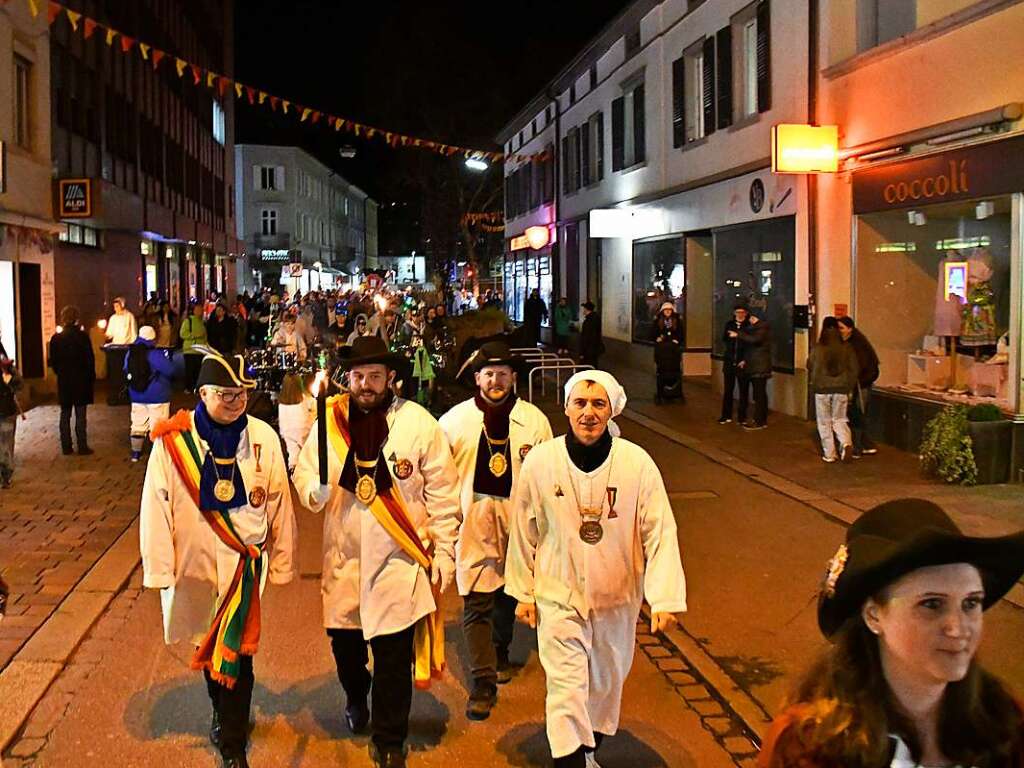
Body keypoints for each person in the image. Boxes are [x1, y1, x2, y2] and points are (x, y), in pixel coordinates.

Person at [293, 335, 461, 768]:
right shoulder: (328, 422)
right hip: (344, 558)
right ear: (347, 378)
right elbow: (304, 472)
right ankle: (355, 695)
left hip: (399, 560)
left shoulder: (419, 424)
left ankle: (390, 740)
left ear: (391, 378)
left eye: (374, 376)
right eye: (358, 376)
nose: (365, 384)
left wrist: (444, 551)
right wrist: (315, 489)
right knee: (347, 650)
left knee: (393, 657)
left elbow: (443, 492)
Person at [506, 370, 687, 768]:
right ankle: (571, 760)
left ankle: (589, 750)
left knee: (605, 686)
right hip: (558, 595)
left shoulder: (636, 464)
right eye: (581, 404)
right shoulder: (541, 462)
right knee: (566, 689)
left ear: (612, 410)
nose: (589, 413)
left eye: (598, 404)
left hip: (616, 598)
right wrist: (522, 591)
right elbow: (523, 528)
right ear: (567, 408)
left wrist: (664, 597)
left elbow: (659, 529)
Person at [760, 498, 1024, 768]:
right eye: (931, 604)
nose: (957, 628)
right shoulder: (809, 747)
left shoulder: (1005, 723)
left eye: (971, 603)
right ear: (874, 615)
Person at [140, 352, 297, 768]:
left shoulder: (262, 436)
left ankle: (232, 743)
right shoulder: (172, 443)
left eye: (242, 393)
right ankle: (221, 709)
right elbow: (155, 507)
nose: (236, 401)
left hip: (243, 572)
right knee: (208, 651)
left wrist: (281, 561)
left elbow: (279, 502)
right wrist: (159, 569)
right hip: (192, 569)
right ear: (203, 393)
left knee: (239, 658)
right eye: (226, 394)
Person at [438, 342, 553, 721]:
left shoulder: (534, 421)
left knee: (508, 594)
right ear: (477, 379)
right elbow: (439, 477)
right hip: (474, 524)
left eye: (503, 374)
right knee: (476, 601)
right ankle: (482, 681)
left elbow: (549, 476)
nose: (496, 380)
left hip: (520, 527)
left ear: (513, 378)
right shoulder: (454, 422)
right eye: (489, 374)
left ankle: (500, 649)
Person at [48, 306, 95, 456]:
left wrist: (60, 372)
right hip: (81, 381)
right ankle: (82, 445)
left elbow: (53, 362)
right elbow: (89, 359)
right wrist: (90, 377)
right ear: (76, 318)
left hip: (65, 381)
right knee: (81, 415)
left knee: (65, 414)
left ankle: (66, 446)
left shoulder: (56, 338)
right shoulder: (82, 337)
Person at [808, 325, 859, 463]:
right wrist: (849, 386)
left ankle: (830, 454)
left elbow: (810, 364)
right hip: (841, 389)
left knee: (824, 422)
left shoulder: (818, 348)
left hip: (822, 389)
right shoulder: (847, 348)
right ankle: (846, 443)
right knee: (840, 419)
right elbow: (854, 369)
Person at [124, 326, 176, 462]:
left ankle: (136, 453)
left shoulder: (131, 352)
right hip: (157, 395)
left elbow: (125, 368)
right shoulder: (154, 353)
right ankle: (157, 454)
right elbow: (170, 370)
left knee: (137, 424)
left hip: (136, 394)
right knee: (158, 425)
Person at [837, 316, 880, 459]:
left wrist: (858, 381)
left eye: (842, 328)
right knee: (858, 414)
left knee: (856, 414)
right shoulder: (855, 343)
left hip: (861, 384)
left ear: (850, 329)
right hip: (861, 383)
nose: (840, 331)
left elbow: (861, 367)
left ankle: (858, 446)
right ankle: (866, 444)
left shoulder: (855, 345)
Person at [738, 310, 772, 431]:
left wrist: (739, 334)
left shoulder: (762, 328)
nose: (750, 319)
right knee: (759, 394)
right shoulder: (756, 328)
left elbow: (755, 340)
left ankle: (760, 420)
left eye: (752, 317)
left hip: (759, 366)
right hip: (756, 365)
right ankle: (760, 419)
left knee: (759, 394)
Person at [277, 373, 315, 473]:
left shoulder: (281, 403)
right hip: (305, 432)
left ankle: (293, 469)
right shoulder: (308, 400)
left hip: (287, 433)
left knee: (293, 453)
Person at [719, 303, 750, 424]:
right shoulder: (729, 325)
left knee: (743, 391)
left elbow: (750, 344)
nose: (740, 315)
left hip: (742, 362)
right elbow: (724, 339)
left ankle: (742, 417)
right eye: (738, 312)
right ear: (734, 313)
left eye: (742, 313)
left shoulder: (748, 326)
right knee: (728, 390)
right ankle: (726, 415)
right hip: (729, 360)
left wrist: (745, 359)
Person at [651, 301, 685, 404]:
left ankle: (674, 393)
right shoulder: (658, 321)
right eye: (666, 310)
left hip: (673, 351)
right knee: (661, 373)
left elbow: (681, 333)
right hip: (662, 351)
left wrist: (677, 340)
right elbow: (652, 333)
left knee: (675, 372)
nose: (668, 312)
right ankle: (662, 393)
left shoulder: (677, 321)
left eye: (669, 310)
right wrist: (657, 338)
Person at [0, 354, 23, 489]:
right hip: (6, 410)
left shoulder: (6, 366)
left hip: (6, 410)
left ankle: (6, 474)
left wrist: (8, 376)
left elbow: (18, 384)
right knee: (6, 445)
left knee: (6, 444)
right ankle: (5, 474)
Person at [180, 301, 208, 393]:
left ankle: (196, 387)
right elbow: (183, 334)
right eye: (199, 309)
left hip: (200, 350)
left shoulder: (202, 322)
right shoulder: (188, 321)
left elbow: (204, 336)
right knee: (190, 370)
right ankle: (188, 388)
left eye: (202, 309)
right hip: (190, 350)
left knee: (198, 371)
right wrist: (194, 336)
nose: (201, 311)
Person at [578, 301, 603, 368]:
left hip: (589, 349)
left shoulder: (588, 321)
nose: (583, 310)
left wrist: (582, 352)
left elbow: (586, 337)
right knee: (592, 365)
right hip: (594, 348)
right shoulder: (596, 318)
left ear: (586, 309)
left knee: (586, 367)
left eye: (584, 308)